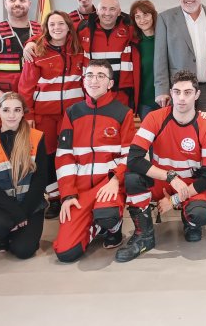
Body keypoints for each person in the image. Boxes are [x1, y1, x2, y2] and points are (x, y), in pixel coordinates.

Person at [115, 71, 206, 262]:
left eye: (188, 92)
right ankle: (144, 236)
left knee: (201, 213)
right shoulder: (154, 118)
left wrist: (174, 200)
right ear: (171, 93)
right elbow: (134, 159)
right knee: (132, 178)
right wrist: (170, 177)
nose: (182, 98)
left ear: (197, 95)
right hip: (161, 180)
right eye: (177, 92)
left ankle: (190, 222)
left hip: (190, 185)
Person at [52, 60, 135, 262]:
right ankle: (95, 224)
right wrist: (68, 195)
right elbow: (64, 157)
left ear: (110, 84)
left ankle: (112, 227)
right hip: (79, 190)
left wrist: (116, 180)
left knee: (107, 214)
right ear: (83, 81)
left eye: (100, 76)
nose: (93, 80)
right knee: (66, 253)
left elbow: (130, 156)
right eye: (89, 75)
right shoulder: (72, 112)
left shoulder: (123, 113)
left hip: (107, 185)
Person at [18, 11, 85, 219]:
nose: (57, 28)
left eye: (61, 24)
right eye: (52, 24)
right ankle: (55, 198)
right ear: (46, 28)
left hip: (72, 116)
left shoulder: (79, 50)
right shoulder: (36, 51)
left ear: (68, 26)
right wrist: (28, 116)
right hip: (44, 116)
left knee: (70, 155)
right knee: (47, 157)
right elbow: (25, 87)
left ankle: (70, 194)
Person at [0, 92, 47, 259]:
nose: (12, 115)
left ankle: (16, 233)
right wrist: (16, 214)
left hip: (30, 204)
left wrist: (24, 212)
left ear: (23, 113)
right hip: (0, 205)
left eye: (17, 110)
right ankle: (3, 235)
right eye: (6, 110)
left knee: (24, 251)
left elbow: (40, 180)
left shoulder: (37, 138)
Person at [154, 0, 206, 120]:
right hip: (179, 91)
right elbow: (160, 58)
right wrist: (161, 89)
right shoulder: (165, 18)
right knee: (180, 130)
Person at [78, 0, 139, 110]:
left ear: (119, 12)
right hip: (94, 93)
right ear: (97, 11)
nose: (107, 13)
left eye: (112, 9)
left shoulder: (130, 29)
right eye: (103, 8)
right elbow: (60, 37)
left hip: (122, 94)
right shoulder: (83, 29)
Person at [130, 0, 160, 120]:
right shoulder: (134, 44)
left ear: (153, 15)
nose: (142, 20)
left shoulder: (165, 39)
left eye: (146, 14)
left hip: (167, 99)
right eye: (137, 17)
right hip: (145, 104)